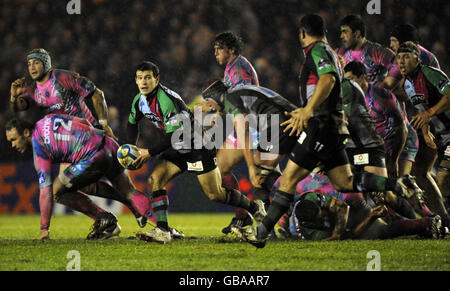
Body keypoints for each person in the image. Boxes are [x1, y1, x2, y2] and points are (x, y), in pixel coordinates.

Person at [231, 14, 423, 248]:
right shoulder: (332, 51)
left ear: (303, 33)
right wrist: (304, 110)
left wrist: (308, 110)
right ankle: (396, 183)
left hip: (320, 127)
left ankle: (261, 233)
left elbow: (329, 79)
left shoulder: (317, 50)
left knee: (287, 182)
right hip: (332, 129)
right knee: (344, 181)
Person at [124, 61, 266, 244]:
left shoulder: (166, 100)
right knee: (155, 179)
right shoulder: (139, 101)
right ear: (136, 80)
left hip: (197, 147)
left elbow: (175, 133)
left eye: (148, 78)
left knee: (216, 194)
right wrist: (130, 147)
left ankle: (254, 207)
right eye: (140, 78)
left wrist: (149, 153)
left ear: (156, 79)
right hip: (177, 147)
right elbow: (132, 123)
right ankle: (163, 229)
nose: (144, 82)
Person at [8, 48, 148, 227]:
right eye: (29, 64)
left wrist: (104, 124)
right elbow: (18, 108)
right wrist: (13, 97)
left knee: (73, 188)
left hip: (89, 136)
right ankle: (116, 214)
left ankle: (130, 215)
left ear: (46, 63)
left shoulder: (63, 78)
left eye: (36, 62)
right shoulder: (35, 90)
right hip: (69, 142)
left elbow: (97, 94)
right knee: (78, 187)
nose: (32, 67)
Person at [5, 115, 158, 240]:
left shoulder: (39, 148)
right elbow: (84, 122)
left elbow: (45, 192)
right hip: (107, 143)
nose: (12, 145)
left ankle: (104, 219)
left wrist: (44, 229)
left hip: (92, 157)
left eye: (13, 139)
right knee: (126, 190)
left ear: (26, 133)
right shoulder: (47, 119)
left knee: (56, 191)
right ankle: (162, 227)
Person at [212, 31, 261, 233]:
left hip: (255, 127)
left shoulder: (239, 69)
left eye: (219, 48)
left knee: (266, 178)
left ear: (231, 50)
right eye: (214, 49)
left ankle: (287, 222)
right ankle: (243, 217)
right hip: (243, 125)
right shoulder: (232, 68)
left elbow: (245, 105)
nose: (215, 53)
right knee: (221, 168)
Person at [397, 41, 450, 218]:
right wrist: (426, 131)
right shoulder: (407, 85)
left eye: (406, 57)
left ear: (417, 59)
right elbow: (422, 110)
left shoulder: (430, 73)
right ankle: (443, 219)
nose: (401, 62)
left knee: (443, 176)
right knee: (425, 174)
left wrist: (430, 113)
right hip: (441, 136)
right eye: (398, 58)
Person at [290, 190, 443, 241]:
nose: (324, 218)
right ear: (307, 225)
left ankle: (426, 222)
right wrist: (370, 217)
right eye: (321, 219)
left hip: (352, 197)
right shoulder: (313, 235)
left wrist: (337, 232)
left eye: (323, 214)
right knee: (378, 227)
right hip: (350, 211)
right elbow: (351, 235)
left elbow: (342, 206)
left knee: (380, 230)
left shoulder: (310, 199)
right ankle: (427, 224)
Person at [336, 15, 397, 87]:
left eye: (345, 32)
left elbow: (397, 63)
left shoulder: (375, 51)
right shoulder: (340, 53)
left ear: (356, 34)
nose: (341, 36)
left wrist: (387, 83)